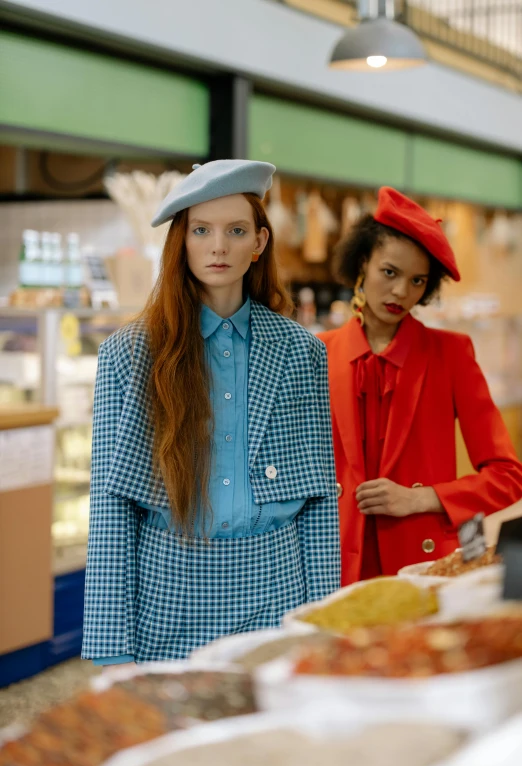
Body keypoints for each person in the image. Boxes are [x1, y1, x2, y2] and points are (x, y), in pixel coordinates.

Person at [82, 159, 340, 665]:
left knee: (267, 739)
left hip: (277, 586)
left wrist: (322, 622)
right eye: (201, 230)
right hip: (169, 587)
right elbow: (111, 509)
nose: (218, 246)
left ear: (259, 243)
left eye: (236, 230)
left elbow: (319, 499)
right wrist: (114, 649)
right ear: (182, 240)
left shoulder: (301, 352)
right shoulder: (129, 354)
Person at [319, 187, 522, 586]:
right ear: (363, 262)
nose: (400, 292)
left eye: (417, 281)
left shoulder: (450, 354)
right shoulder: (316, 354)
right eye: (389, 272)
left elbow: (508, 476)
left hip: (425, 563)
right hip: (335, 562)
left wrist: (421, 497)